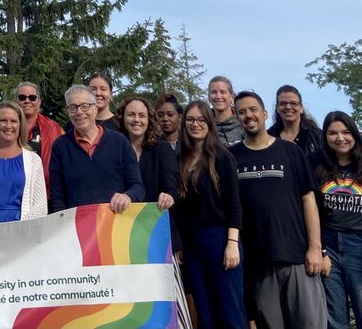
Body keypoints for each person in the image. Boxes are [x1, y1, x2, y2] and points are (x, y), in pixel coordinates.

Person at [231, 91, 327, 329]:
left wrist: (315, 248)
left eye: (253, 109)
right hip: (258, 263)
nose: (248, 115)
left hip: (297, 258)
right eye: (241, 112)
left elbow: (309, 201)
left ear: (264, 114)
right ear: (236, 118)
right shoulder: (231, 158)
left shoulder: (290, 152)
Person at [174, 100, 247, 329]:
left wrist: (232, 243)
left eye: (201, 119)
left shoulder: (222, 158)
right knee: (205, 314)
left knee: (230, 311)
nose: (196, 124)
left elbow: (234, 205)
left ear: (210, 123)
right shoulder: (179, 160)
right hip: (193, 245)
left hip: (221, 239)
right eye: (190, 119)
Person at [315, 111, 362, 329]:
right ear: (325, 137)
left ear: (354, 134)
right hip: (328, 245)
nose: (340, 138)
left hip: (361, 246)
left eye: (346, 132)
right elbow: (310, 211)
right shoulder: (316, 165)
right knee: (335, 320)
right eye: (333, 133)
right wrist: (321, 252)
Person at [48, 85, 143, 213]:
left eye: (85, 106)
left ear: (95, 109)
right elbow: (57, 198)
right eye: (73, 107)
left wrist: (127, 196)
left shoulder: (119, 142)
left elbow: (138, 187)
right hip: (76, 227)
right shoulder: (60, 147)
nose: (79, 112)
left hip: (116, 224)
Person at [116, 96, 179, 211]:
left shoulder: (162, 149)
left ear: (149, 119)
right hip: (122, 221)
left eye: (142, 115)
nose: (136, 120)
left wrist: (168, 196)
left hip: (156, 219)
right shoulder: (115, 151)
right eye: (131, 114)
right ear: (122, 118)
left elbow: (171, 187)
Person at [15, 81, 63, 181]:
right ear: (16, 102)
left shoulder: (52, 128)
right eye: (22, 97)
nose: (27, 101)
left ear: (39, 102)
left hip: (44, 188)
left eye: (32, 97)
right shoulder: (7, 128)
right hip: (14, 188)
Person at [266, 84, 322, 157]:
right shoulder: (268, 137)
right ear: (277, 108)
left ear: (301, 108)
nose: (288, 107)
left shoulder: (316, 136)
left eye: (294, 103)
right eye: (283, 103)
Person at [207, 76, 245, 147]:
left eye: (223, 92)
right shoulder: (205, 126)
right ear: (209, 97)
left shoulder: (243, 122)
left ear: (232, 97)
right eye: (213, 92)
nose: (218, 96)